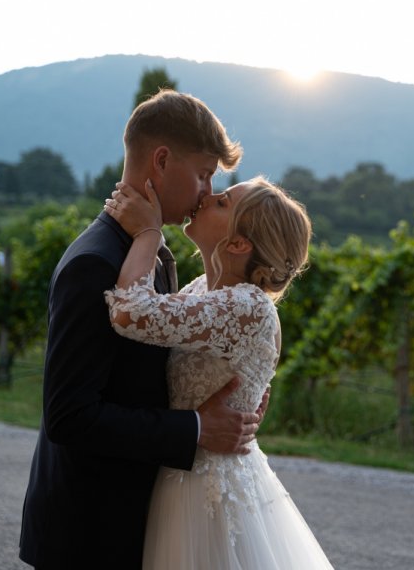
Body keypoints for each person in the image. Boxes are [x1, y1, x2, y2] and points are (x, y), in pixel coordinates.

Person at [19, 90, 266, 569]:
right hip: (89, 533)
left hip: (137, 522)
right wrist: (196, 429)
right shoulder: (95, 263)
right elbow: (69, 416)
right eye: (203, 174)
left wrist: (237, 402)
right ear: (161, 160)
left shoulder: (146, 251)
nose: (205, 191)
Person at [102, 174, 334, 569]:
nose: (207, 197)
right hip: (180, 472)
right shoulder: (200, 290)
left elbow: (130, 313)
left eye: (223, 202)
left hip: (208, 488)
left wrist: (148, 233)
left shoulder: (247, 305)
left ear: (239, 244)